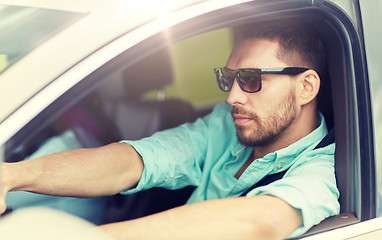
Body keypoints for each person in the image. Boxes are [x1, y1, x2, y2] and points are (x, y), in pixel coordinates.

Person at [0, 20, 339, 239]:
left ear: (306, 87)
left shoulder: (323, 171)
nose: (232, 96)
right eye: (228, 78)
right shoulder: (227, 127)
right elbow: (136, 160)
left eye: (251, 80)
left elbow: (262, 220)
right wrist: (12, 175)